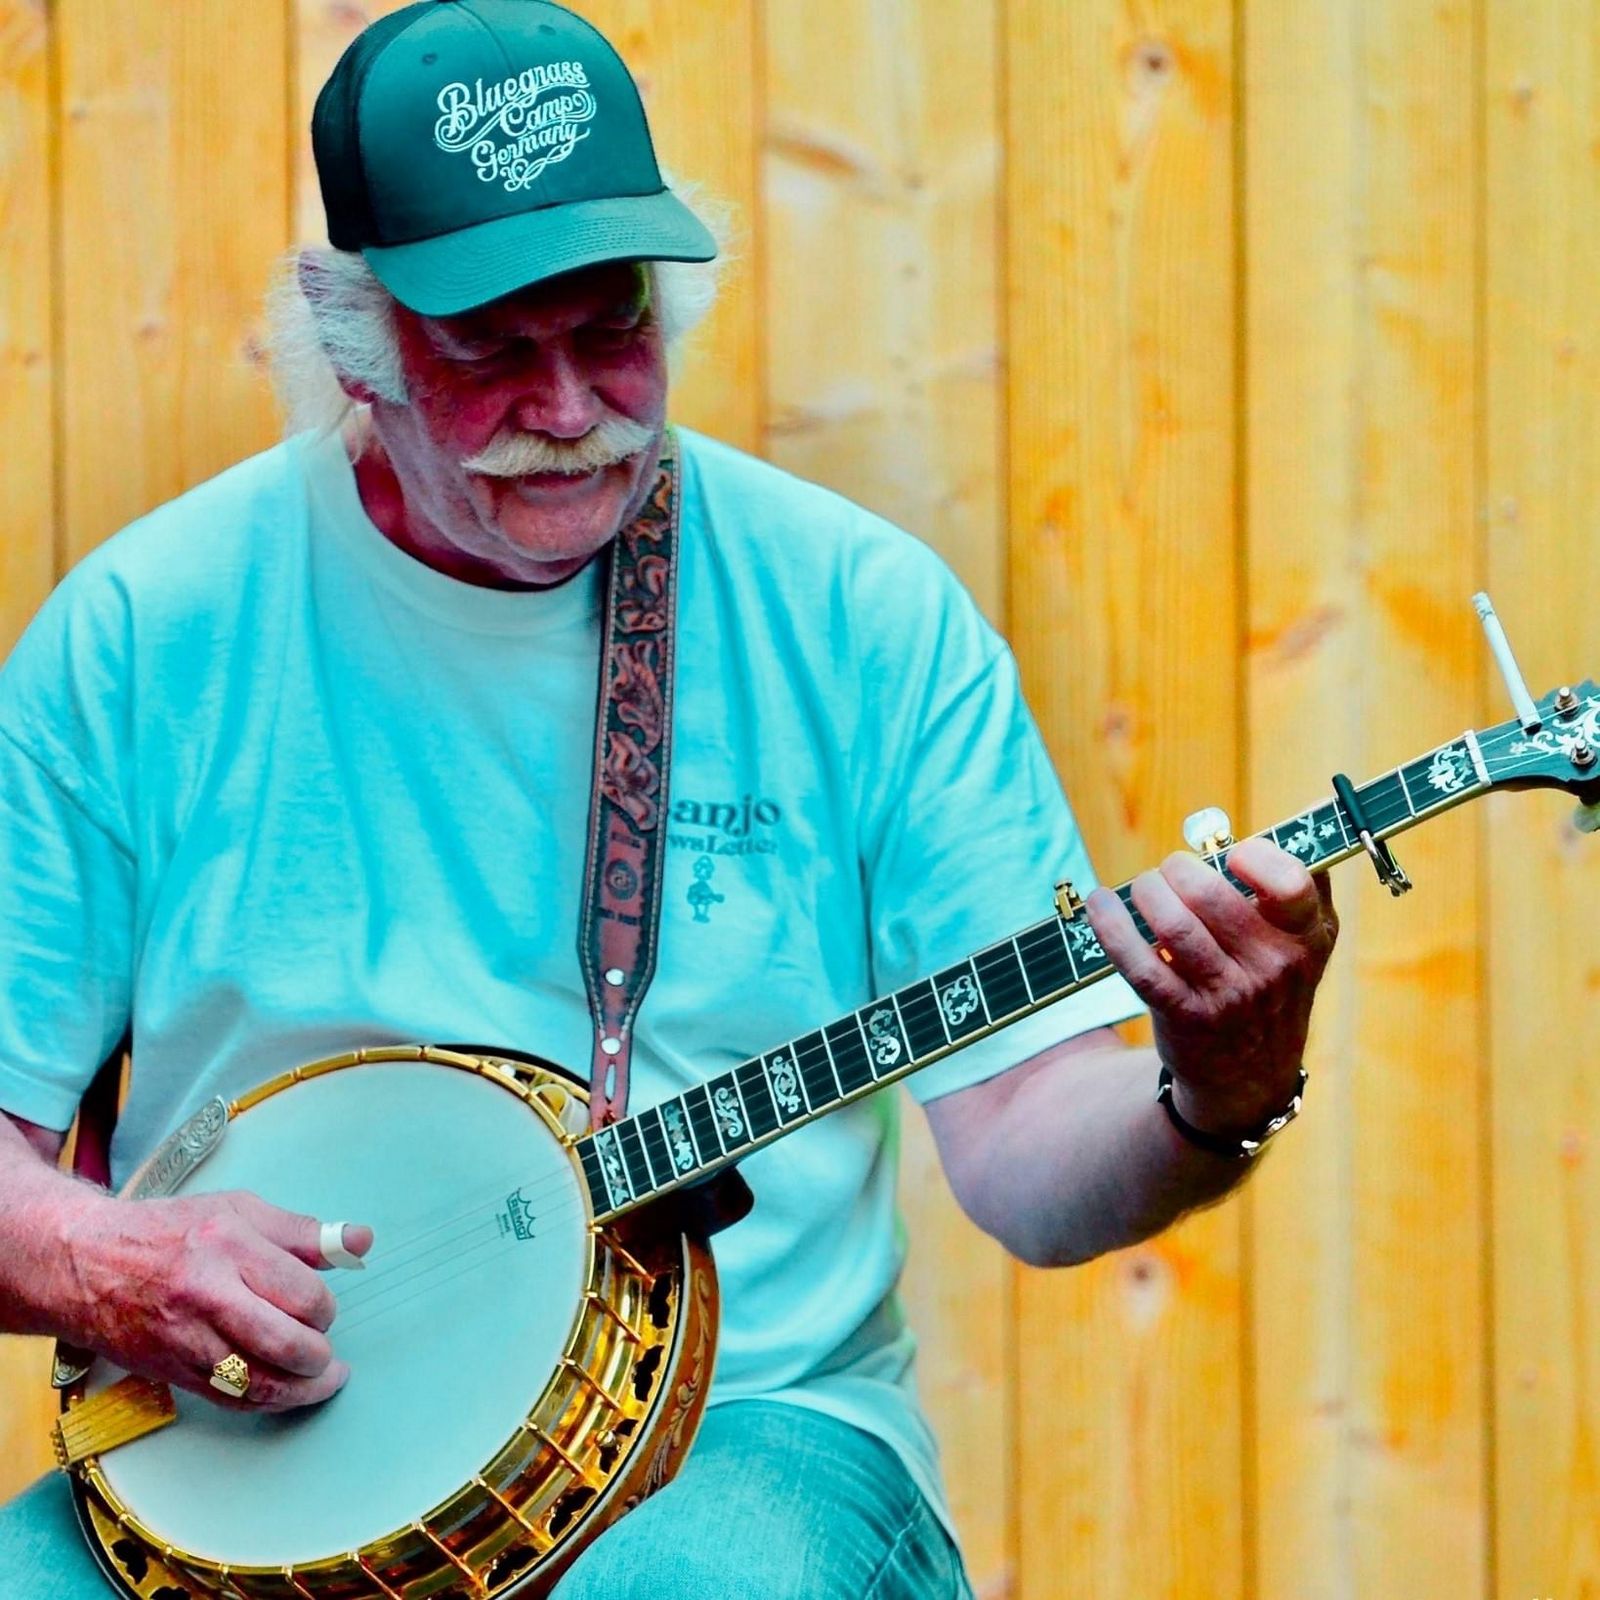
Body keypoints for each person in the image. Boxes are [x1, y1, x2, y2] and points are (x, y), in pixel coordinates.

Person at [0, 2, 1338, 1595]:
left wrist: (1218, 1092)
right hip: (250, 1470)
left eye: (612, 326)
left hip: (739, 1434)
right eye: (493, 351)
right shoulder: (143, 638)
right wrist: (105, 1260)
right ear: (352, 341)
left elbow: (1026, 1149)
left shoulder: (859, 618)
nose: (573, 408)